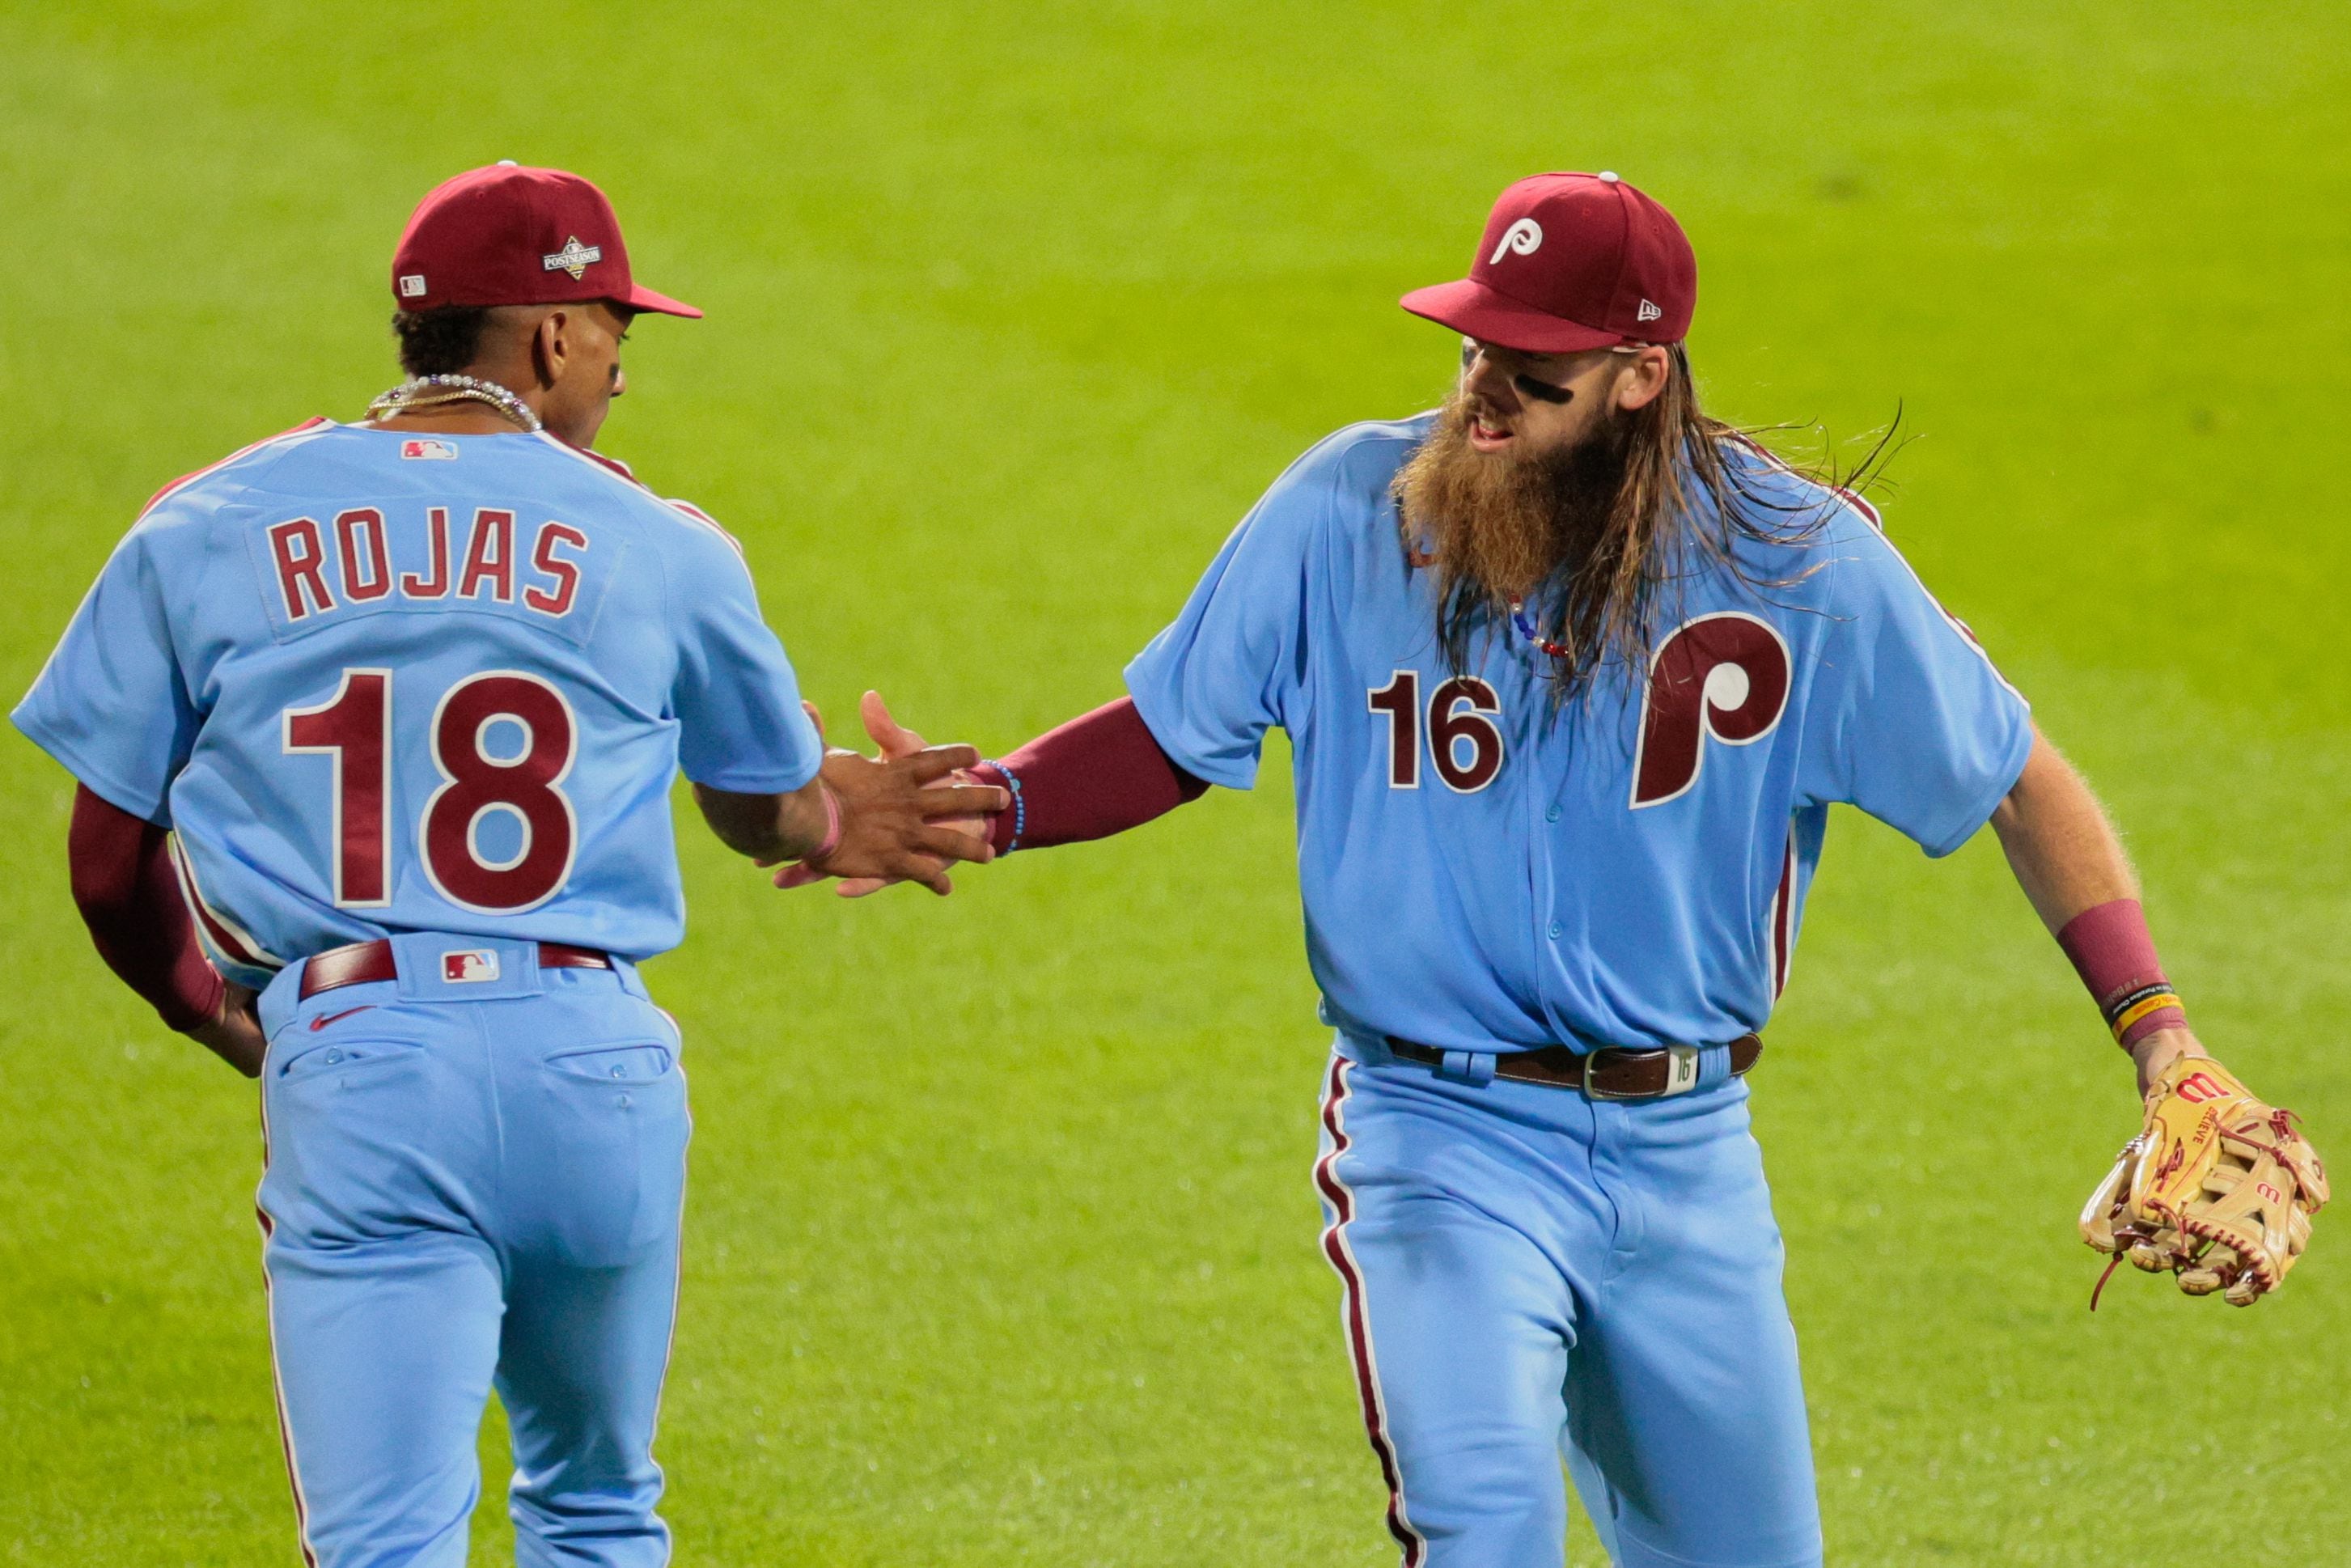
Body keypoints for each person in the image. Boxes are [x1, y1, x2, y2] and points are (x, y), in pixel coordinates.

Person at [820, 172, 2321, 1566]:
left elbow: (2014, 781)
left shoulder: (1796, 561)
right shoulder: (1346, 512)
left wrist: (2158, 1032)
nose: (1484, 388)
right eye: (1477, 348)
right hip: (1437, 1134)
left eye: (1534, 369)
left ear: (1639, 376)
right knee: (1480, 1528)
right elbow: (1171, 730)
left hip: (1689, 1159)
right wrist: (995, 802)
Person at [12, 162, 1002, 1567]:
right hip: (592, 1070)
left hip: (361, 1056)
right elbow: (765, 804)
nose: (618, 365)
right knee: (597, 1509)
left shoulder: (207, 520)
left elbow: (108, 861)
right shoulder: (661, 537)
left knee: (385, 1545)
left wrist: (211, 1008)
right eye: (615, 330)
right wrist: (833, 818)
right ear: (547, 336)